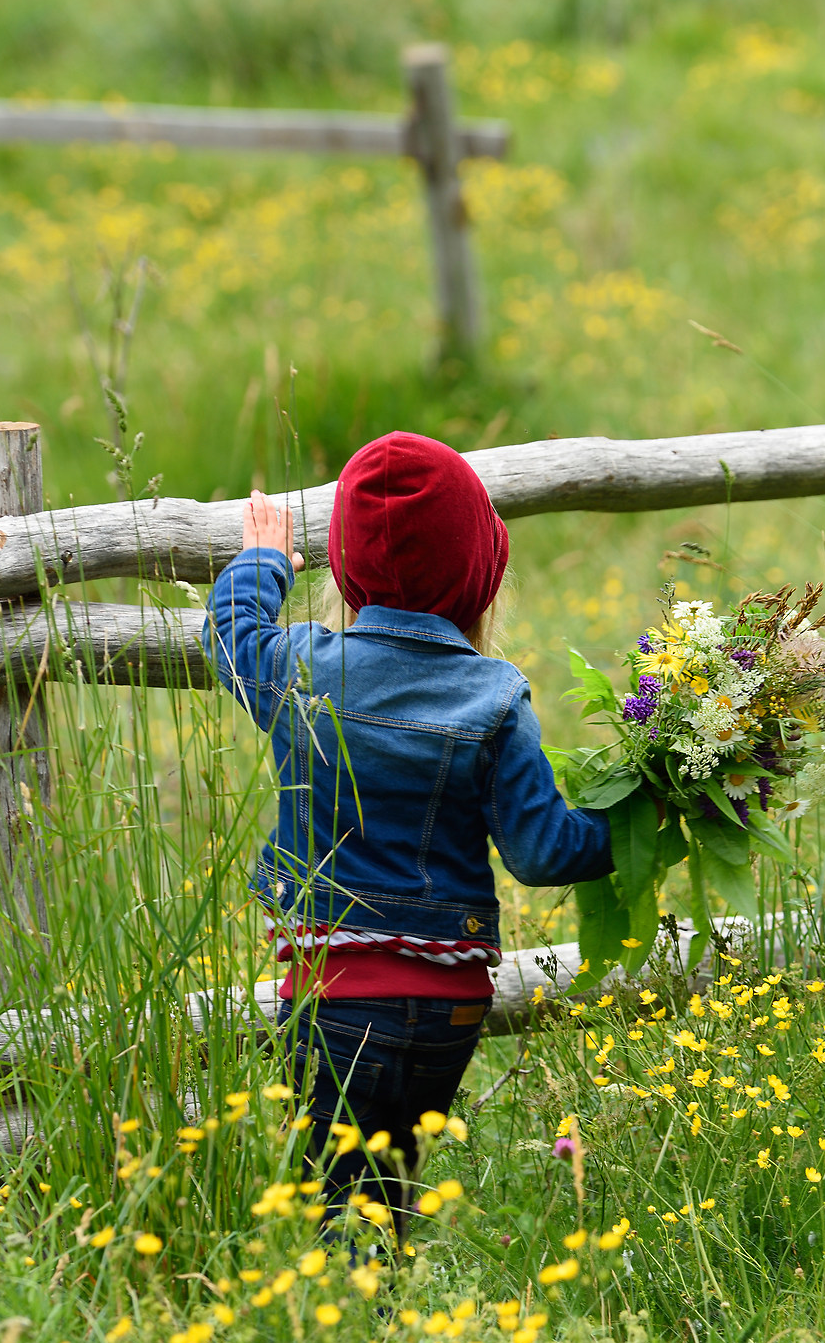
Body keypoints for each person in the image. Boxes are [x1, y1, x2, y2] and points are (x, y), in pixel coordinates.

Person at [204, 432, 610, 1246]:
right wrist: (647, 817)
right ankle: (383, 1297)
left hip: (335, 999)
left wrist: (263, 561)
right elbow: (544, 852)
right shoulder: (495, 696)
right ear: (480, 571)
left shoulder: (302, 667)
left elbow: (231, 636)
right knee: (388, 1195)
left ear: (346, 567)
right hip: (449, 1009)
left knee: (331, 1209)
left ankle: (357, 1308)